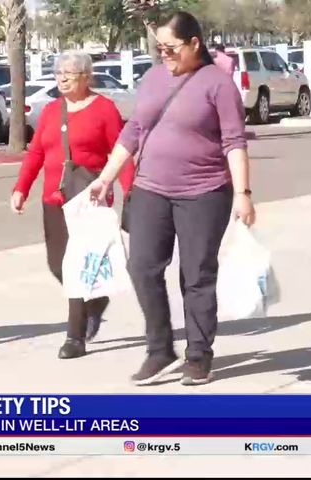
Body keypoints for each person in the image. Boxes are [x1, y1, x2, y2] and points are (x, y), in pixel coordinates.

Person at [87, 11, 255, 386]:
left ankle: (198, 355)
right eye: (159, 48)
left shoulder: (218, 84)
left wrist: (243, 194)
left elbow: (234, 142)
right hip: (150, 189)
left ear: (195, 43)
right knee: (142, 268)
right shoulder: (153, 78)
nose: (164, 54)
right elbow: (135, 129)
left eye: (171, 48)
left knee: (196, 275)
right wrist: (106, 177)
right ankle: (160, 350)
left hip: (204, 193)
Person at [10, 51, 134, 360]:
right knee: (58, 265)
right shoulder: (52, 110)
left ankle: (74, 337)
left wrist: (131, 191)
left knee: (77, 267)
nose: (62, 78)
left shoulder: (104, 109)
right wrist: (21, 188)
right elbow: (36, 153)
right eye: (58, 73)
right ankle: (95, 301)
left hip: (88, 200)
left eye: (69, 73)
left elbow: (121, 152)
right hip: (54, 200)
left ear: (87, 77)